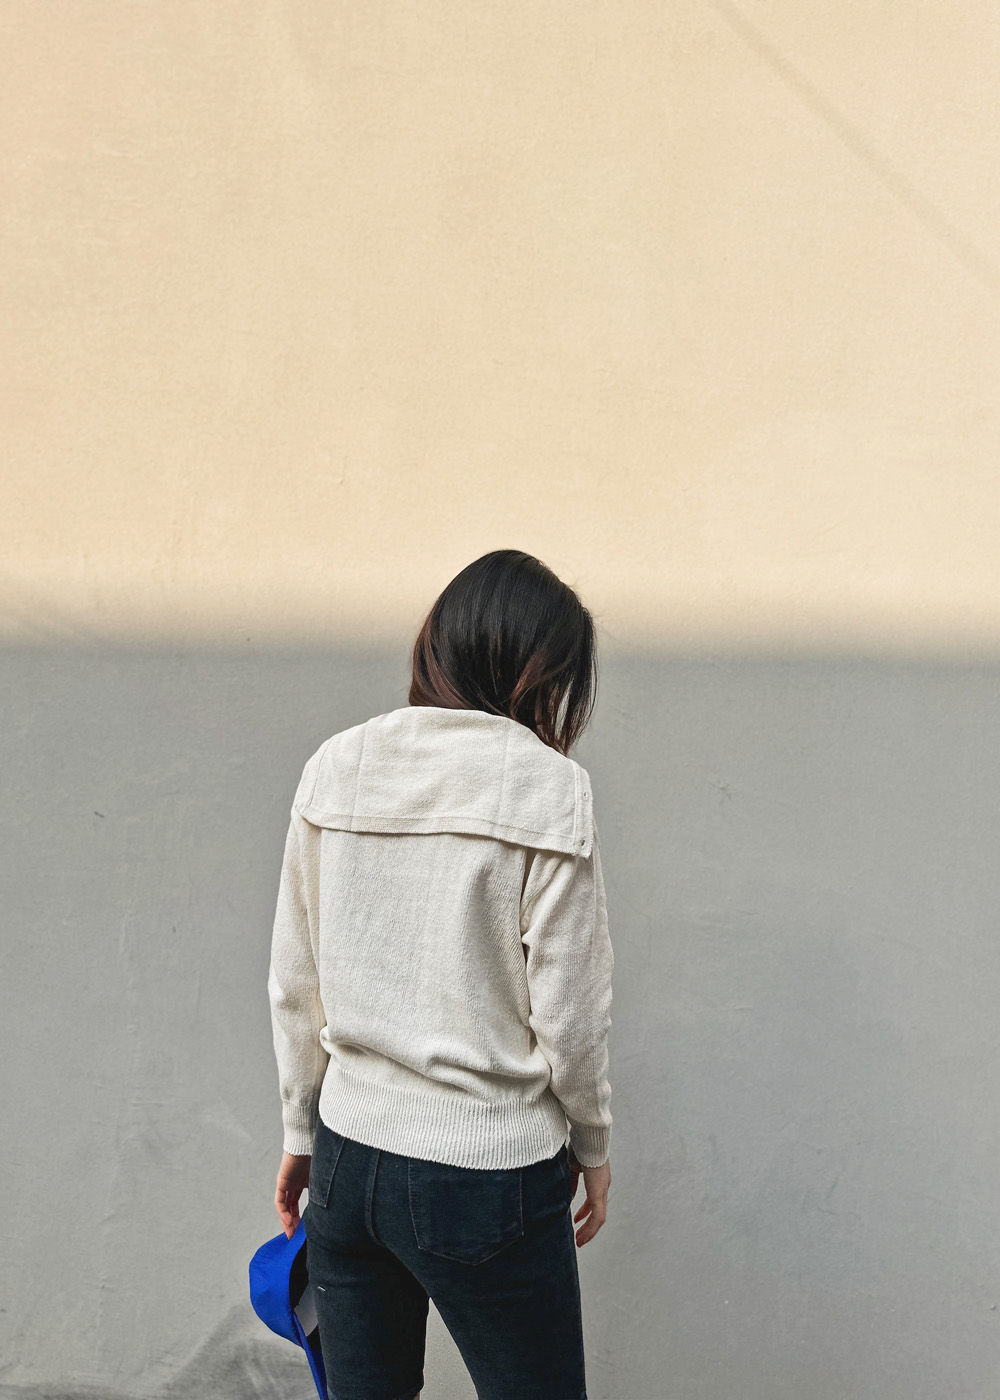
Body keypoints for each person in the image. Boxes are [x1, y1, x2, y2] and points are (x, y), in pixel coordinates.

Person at [267, 548, 614, 1400]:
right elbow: (571, 1018)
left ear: (440, 641)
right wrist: (594, 1144)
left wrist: (300, 1132)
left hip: (348, 1157)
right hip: (486, 1173)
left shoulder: (338, 764)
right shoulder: (550, 791)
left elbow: (295, 980)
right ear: (544, 674)